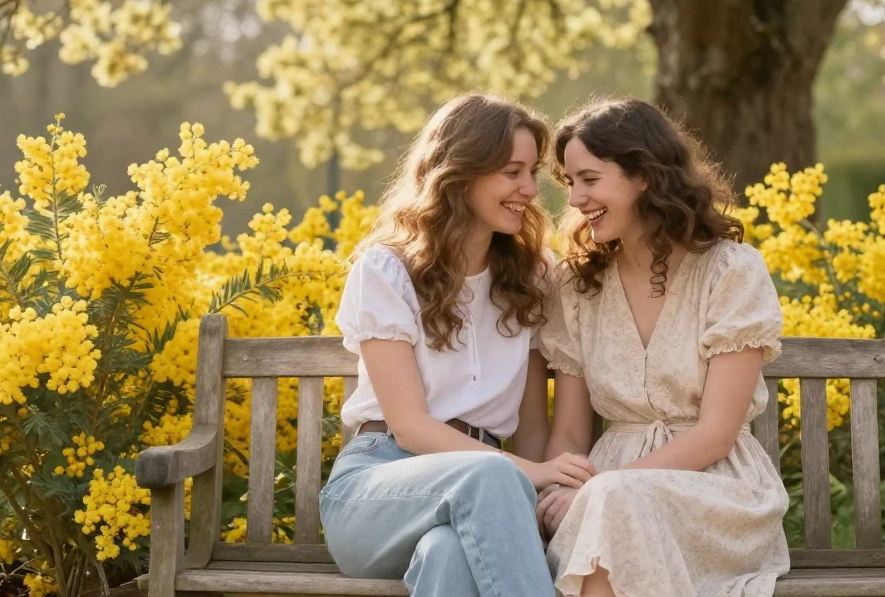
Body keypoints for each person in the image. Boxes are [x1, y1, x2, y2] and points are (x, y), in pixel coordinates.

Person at [320, 92, 595, 597]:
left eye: (533, 173)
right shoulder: (386, 270)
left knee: (448, 555)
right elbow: (409, 426)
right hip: (376, 488)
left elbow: (532, 425)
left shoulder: (531, 277)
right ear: (461, 172)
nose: (529, 190)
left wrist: (529, 488)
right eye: (513, 172)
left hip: (486, 496)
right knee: (489, 476)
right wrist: (529, 474)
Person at [538, 98, 790, 597]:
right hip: (603, 494)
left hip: (716, 493)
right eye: (570, 184)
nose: (574, 200)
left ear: (645, 175)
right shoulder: (578, 284)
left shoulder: (730, 271)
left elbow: (717, 434)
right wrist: (559, 490)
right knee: (611, 516)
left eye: (589, 180)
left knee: (615, 506)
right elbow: (569, 428)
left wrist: (597, 491)